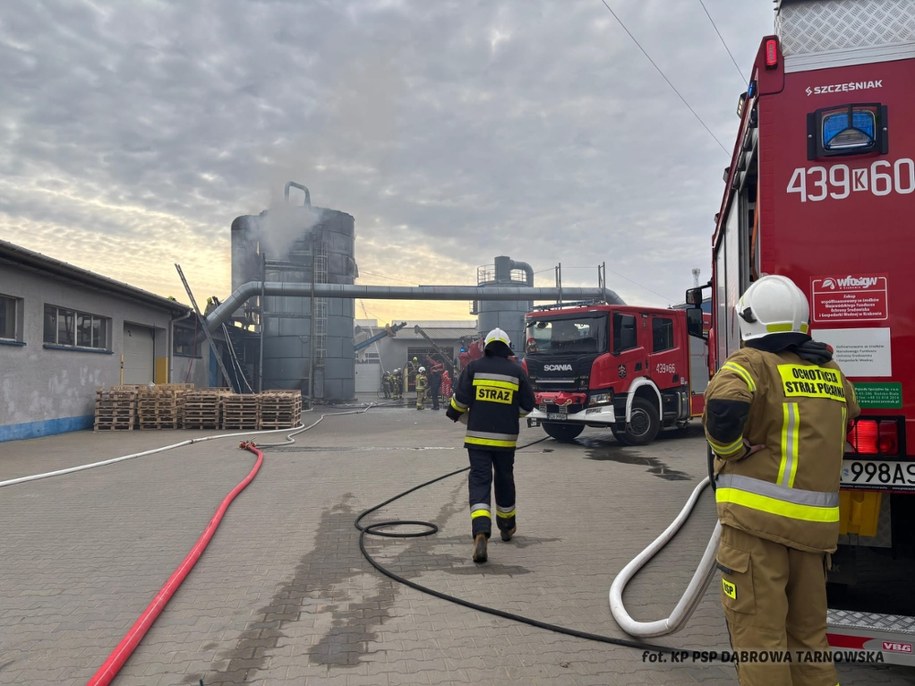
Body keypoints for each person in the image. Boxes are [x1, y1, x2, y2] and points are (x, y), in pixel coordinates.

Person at [702, 274, 860, 686]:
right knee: (809, 639)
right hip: (813, 537)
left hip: (757, 533)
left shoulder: (752, 364)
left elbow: (723, 405)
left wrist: (733, 450)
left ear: (749, 321)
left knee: (761, 641)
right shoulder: (830, 371)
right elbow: (852, 410)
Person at [446, 328, 536, 564]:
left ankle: (481, 531)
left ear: (486, 346)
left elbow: (460, 401)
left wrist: (453, 412)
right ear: (507, 347)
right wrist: (510, 413)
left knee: (479, 481)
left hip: (477, 440)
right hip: (505, 440)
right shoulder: (516, 372)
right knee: (505, 479)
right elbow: (528, 405)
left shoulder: (473, 368)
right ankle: (507, 527)